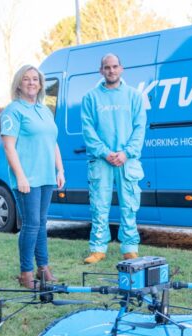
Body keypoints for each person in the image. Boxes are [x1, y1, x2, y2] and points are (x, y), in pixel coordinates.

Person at [0, 64, 65, 289]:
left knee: (41, 224)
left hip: (46, 177)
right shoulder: (12, 111)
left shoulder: (44, 110)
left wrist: (60, 169)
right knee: (31, 224)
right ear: (19, 83)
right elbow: (9, 147)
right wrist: (21, 177)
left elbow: (53, 141)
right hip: (27, 179)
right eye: (26, 79)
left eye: (35, 79)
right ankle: (26, 274)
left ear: (40, 84)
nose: (31, 83)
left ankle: (43, 269)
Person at [80, 53, 146, 264]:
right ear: (101, 71)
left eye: (115, 66)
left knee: (129, 205)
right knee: (99, 205)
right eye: (107, 67)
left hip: (127, 160)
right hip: (102, 160)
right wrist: (104, 152)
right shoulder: (90, 98)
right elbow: (88, 130)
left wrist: (126, 152)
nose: (111, 70)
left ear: (122, 69)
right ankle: (98, 248)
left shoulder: (134, 96)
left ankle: (129, 247)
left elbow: (139, 128)